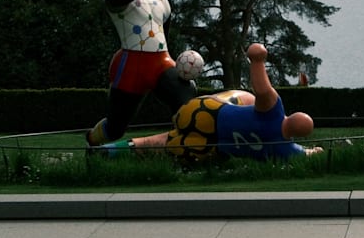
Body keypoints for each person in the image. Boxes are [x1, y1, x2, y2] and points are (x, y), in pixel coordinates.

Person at [119, 42, 318, 162]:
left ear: (291, 116)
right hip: (210, 147)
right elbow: (304, 154)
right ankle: (112, 152)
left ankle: (108, 151)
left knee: (170, 130)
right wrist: (314, 151)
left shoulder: (274, 112)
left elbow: (262, 90)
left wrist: (257, 60)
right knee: (165, 142)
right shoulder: (284, 149)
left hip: (206, 113)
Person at [86, 0, 194, 147]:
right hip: (131, 66)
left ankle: (186, 145)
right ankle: (92, 140)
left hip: (162, 62)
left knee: (186, 97)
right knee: (115, 127)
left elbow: (163, 30)